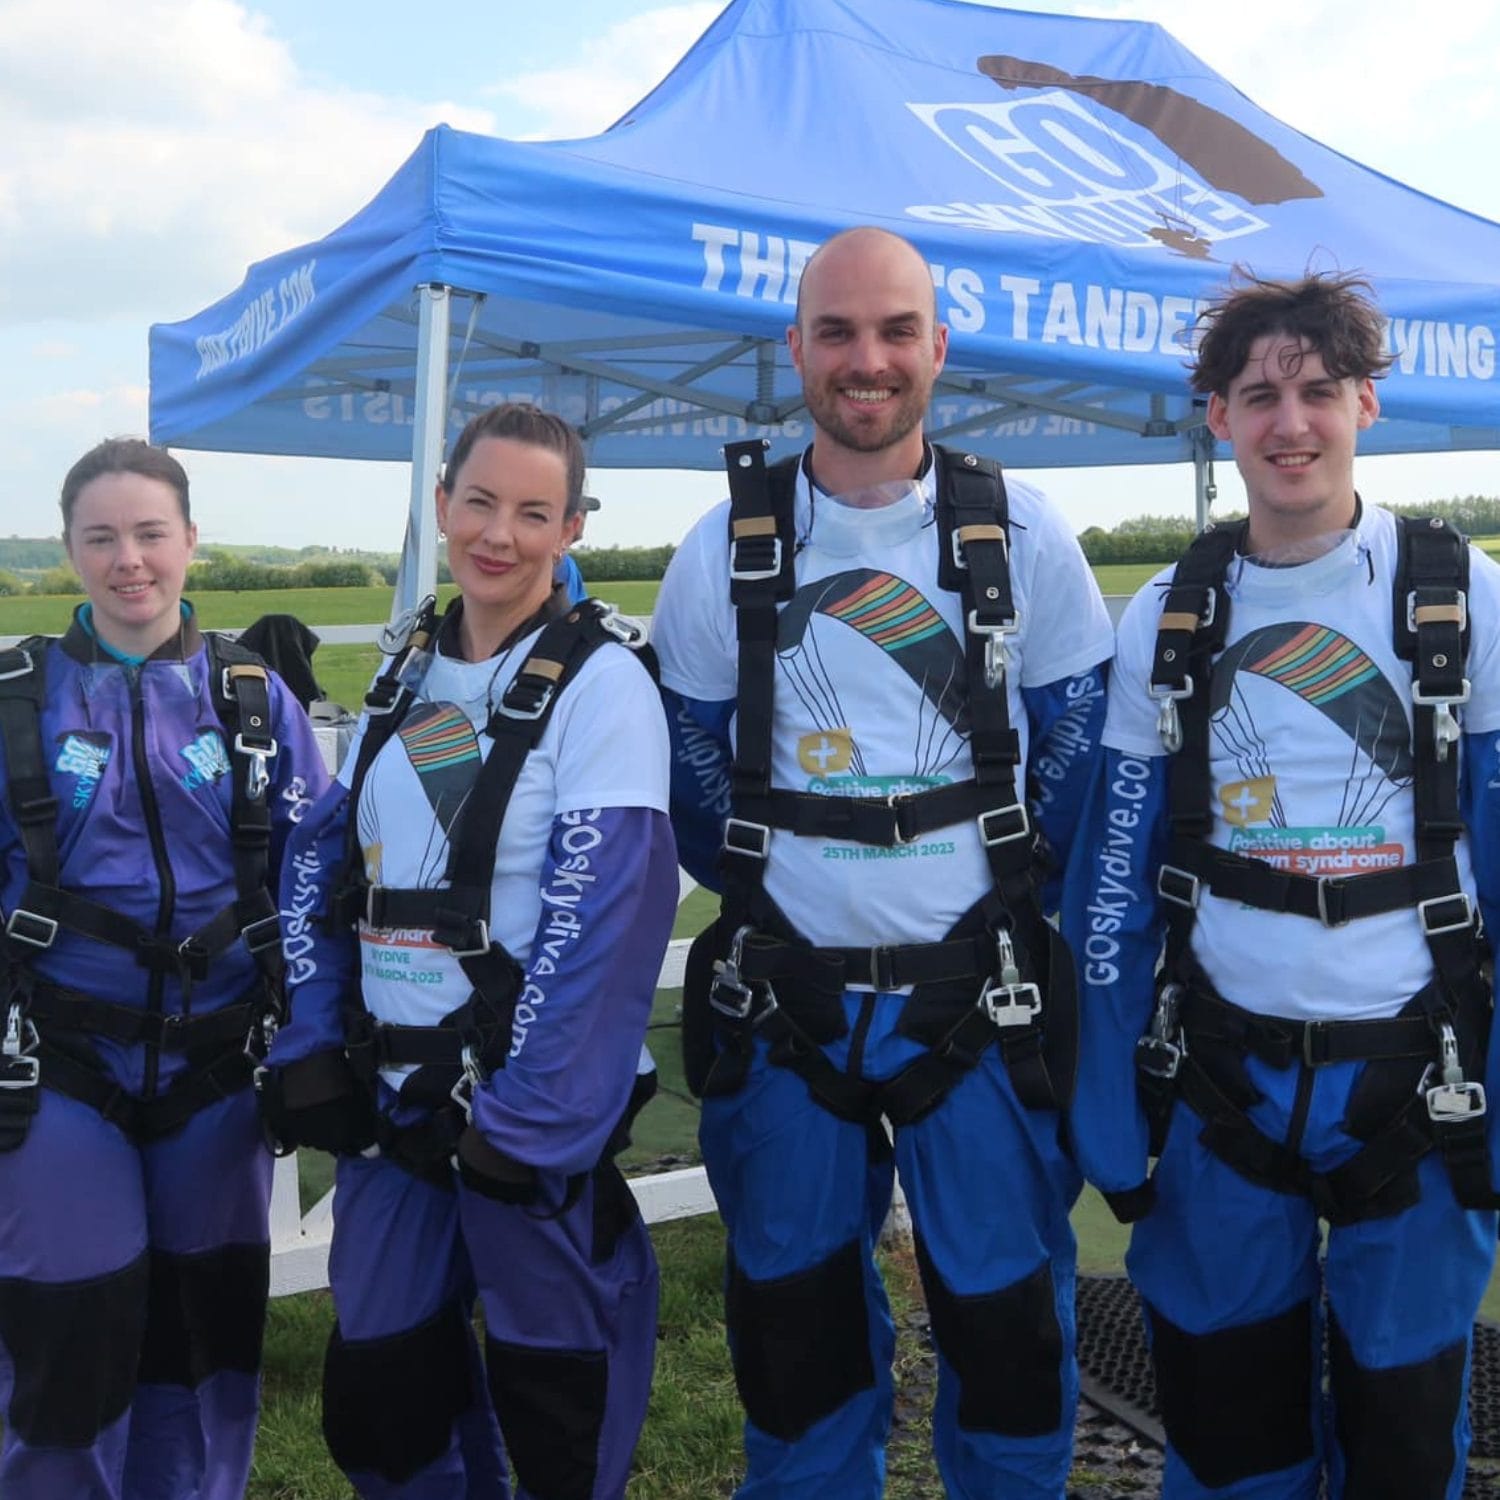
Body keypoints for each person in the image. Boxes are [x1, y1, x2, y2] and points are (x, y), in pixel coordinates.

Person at [651, 226, 1114, 1500]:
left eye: (896, 331)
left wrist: (1000, 900)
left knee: (1008, 1327)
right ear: (796, 348)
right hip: (786, 1000)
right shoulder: (722, 547)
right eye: (839, 332)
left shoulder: (1024, 533)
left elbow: (1075, 743)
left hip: (981, 999)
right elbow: (692, 757)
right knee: (792, 1337)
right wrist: (779, 893)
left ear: (938, 349)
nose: (869, 360)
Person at [1065, 271, 1500, 1498]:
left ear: (1368, 400)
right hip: (1220, 1089)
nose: (1290, 422)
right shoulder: (1169, 612)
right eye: (1259, 395)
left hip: (1417, 1086)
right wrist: (1107, 1109)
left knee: (1406, 1447)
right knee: (1230, 1436)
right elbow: (1111, 890)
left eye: (1318, 390)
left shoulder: (1459, 596)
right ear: (1217, 416)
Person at [261, 402, 677, 1499]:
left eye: (534, 513)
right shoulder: (407, 673)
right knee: (384, 1415)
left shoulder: (602, 684)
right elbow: (325, 864)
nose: (501, 533)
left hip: (526, 1120)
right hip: (392, 1110)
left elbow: (610, 917)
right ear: (441, 505)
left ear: (573, 528)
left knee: (558, 1428)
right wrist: (311, 1040)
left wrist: (528, 1123)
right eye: (480, 503)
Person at [0, 438, 327, 1499]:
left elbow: (314, 867)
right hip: (60, 1068)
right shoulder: (18, 699)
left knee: (203, 1336)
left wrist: (317, 1031)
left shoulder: (250, 700)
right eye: (101, 537)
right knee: (70, 1331)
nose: (128, 560)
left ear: (190, 540)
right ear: (69, 551)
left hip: (217, 1067)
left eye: (150, 534)